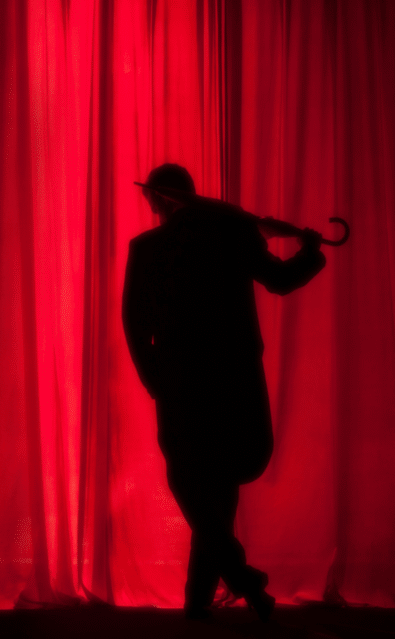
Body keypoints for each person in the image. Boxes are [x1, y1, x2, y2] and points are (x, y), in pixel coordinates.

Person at [122, 164, 326, 621]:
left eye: (150, 198)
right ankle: (223, 591)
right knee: (218, 487)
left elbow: (134, 322)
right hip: (233, 376)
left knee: (192, 484)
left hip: (181, 381)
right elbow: (280, 280)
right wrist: (310, 252)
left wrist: (154, 378)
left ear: (159, 199)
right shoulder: (233, 232)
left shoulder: (148, 247)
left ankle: (220, 590)